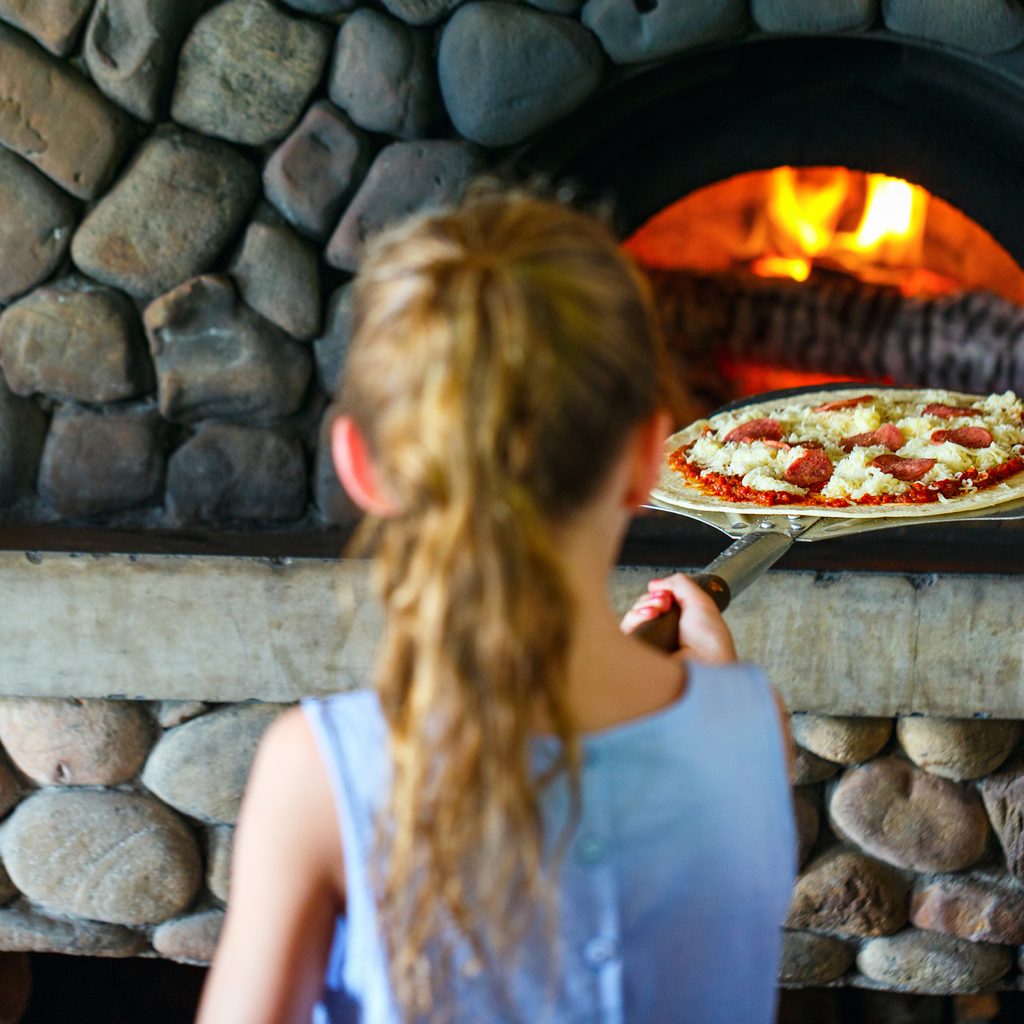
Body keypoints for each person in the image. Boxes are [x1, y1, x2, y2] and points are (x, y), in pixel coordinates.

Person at [196, 191, 796, 1024]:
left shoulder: (318, 775)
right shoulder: (753, 726)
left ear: (362, 469)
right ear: (648, 462)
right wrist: (716, 688)